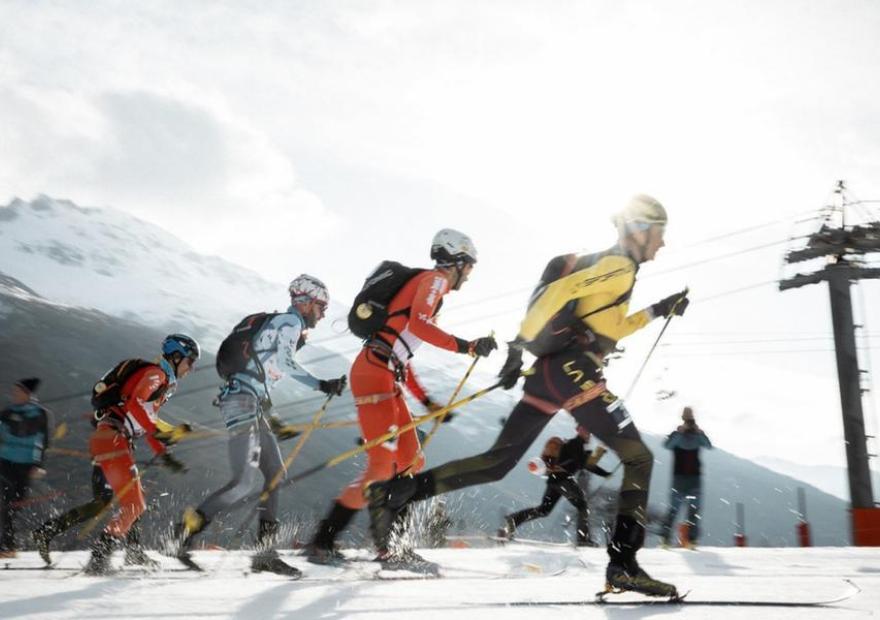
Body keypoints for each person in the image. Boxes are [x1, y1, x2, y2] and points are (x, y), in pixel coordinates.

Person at [367, 195, 689, 597]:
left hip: (547, 377)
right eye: (659, 234)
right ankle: (623, 566)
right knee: (639, 458)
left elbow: (614, 326)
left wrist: (660, 309)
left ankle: (396, 493)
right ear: (639, 231)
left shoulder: (620, 272)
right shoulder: (618, 265)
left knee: (495, 463)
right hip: (573, 373)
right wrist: (518, 345)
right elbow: (559, 293)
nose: (662, 243)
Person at [307, 229, 497, 572]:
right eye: (468, 267)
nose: (468, 275)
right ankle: (323, 541)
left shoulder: (430, 286)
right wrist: (467, 346)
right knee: (381, 467)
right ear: (456, 261)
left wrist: (427, 402)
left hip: (385, 371)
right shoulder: (435, 280)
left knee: (411, 461)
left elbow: (401, 355)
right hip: (374, 372)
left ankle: (392, 545)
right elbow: (420, 326)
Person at [175, 275, 347, 577]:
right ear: (304, 302)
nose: (322, 314)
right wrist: (323, 384)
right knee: (243, 481)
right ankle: (184, 533)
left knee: (274, 475)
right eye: (321, 306)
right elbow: (286, 363)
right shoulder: (290, 323)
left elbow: (266, 369)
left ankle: (264, 554)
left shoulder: (282, 325)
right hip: (242, 401)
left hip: (249, 401)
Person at [82, 334, 198, 574]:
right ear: (176, 357)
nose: (192, 368)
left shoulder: (163, 383)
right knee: (134, 505)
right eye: (190, 361)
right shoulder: (158, 375)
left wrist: (163, 454)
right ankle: (99, 558)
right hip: (113, 438)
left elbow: (145, 423)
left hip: (114, 438)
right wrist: (161, 433)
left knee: (136, 500)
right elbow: (136, 404)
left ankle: (132, 553)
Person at [499, 425, 611, 546]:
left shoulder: (576, 445)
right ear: (578, 430)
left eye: (589, 430)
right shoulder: (575, 444)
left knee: (544, 510)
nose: (588, 432)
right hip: (563, 480)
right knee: (582, 506)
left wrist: (600, 452)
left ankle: (514, 519)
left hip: (554, 480)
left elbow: (586, 462)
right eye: (585, 429)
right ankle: (583, 540)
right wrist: (605, 473)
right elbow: (586, 464)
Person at [0, 378, 52, 558]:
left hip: (27, 464)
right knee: (7, 502)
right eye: (13, 392)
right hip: (4, 461)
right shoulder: (7, 412)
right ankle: (7, 546)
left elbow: (44, 441)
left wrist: (39, 464)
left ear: (28, 394)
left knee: (16, 504)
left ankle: (9, 544)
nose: (14, 395)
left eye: (18, 392)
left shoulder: (41, 414)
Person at [658, 406, 712, 548]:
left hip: (681, 478)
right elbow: (708, 445)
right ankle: (691, 540)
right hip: (693, 478)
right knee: (692, 511)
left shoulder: (679, 435)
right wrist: (695, 433)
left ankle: (666, 539)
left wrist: (691, 433)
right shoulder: (684, 435)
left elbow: (667, 445)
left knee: (674, 510)